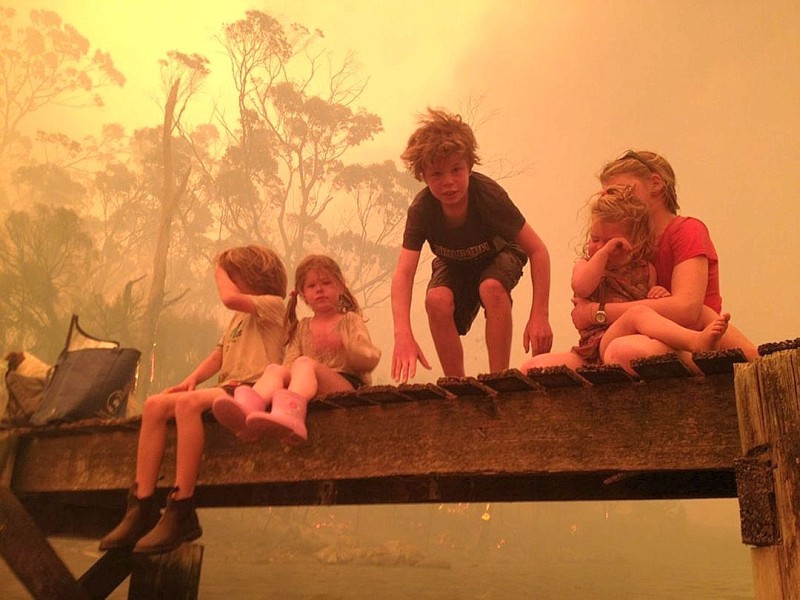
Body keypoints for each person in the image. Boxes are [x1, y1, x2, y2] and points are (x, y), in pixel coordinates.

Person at [99, 245, 287, 555]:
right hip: (228, 388)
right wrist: (191, 380)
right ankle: (142, 505)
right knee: (155, 405)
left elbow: (228, 297)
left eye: (233, 274)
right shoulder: (239, 318)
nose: (228, 280)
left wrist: (219, 269)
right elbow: (218, 354)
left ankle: (181, 506)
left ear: (251, 274)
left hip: (255, 391)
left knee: (188, 405)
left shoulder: (273, 305)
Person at [391, 108, 552, 381]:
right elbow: (403, 274)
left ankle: (499, 378)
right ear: (423, 176)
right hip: (454, 262)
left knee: (491, 288)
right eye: (437, 174)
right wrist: (403, 334)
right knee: (436, 300)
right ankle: (458, 384)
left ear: (469, 166)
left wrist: (539, 315)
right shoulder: (423, 209)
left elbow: (538, 250)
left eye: (456, 170)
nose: (449, 182)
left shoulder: (488, 197)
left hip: (501, 252)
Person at [569, 150, 757, 372]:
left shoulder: (686, 230)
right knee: (534, 367)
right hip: (634, 336)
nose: (615, 200)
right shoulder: (627, 248)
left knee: (623, 351)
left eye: (620, 191)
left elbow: (687, 309)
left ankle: (729, 360)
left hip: (687, 332)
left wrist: (595, 312)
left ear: (655, 183)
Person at [522, 185, 732, 374]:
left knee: (639, 313)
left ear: (633, 243)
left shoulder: (646, 270)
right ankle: (694, 342)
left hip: (619, 341)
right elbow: (581, 286)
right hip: (590, 349)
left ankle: (695, 342)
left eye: (612, 242)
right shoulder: (585, 265)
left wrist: (658, 294)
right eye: (595, 239)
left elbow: (650, 307)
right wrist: (603, 254)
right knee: (533, 368)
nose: (599, 246)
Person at [212, 254, 380, 444]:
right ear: (303, 294)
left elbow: (368, 358)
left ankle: (290, 415)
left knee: (305, 363)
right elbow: (290, 363)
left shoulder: (350, 320)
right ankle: (248, 409)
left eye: (326, 283)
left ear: (340, 286)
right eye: (311, 286)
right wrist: (283, 377)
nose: (319, 290)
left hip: (347, 385)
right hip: (311, 387)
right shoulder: (302, 327)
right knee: (275, 369)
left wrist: (347, 345)